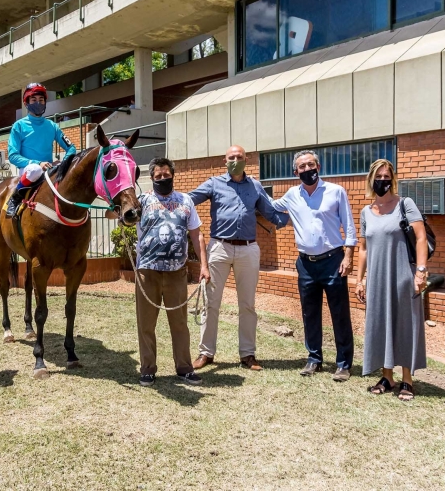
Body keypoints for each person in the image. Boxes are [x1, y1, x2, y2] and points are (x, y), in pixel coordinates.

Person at [188, 145, 288, 371]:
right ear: (225, 161)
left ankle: (247, 355)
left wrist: (297, 218)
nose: (235, 160)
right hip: (219, 248)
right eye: (231, 157)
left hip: (248, 249)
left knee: (247, 304)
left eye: (239, 157)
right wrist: (164, 201)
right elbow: (189, 199)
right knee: (211, 303)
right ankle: (206, 353)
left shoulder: (255, 186)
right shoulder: (214, 183)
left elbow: (270, 212)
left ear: (247, 159)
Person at [271, 150, 356, 382]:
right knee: (310, 314)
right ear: (295, 171)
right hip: (306, 264)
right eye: (302, 166)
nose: (307, 169)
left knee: (339, 314)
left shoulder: (336, 191)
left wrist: (348, 257)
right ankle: (314, 359)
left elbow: (349, 227)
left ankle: (343, 363)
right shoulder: (291, 194)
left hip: (333, 261)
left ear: (318, 166)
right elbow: (270, 206)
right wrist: (251, 190)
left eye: (311, 165)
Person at [356, 159, 428, 401]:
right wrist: (360, 280)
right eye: (379, 177)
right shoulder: (366, 211)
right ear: (371, 180)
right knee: (380, 324)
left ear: (393, 179)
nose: (383, 181)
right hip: (376, 278)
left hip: (403, 275)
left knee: (406, 325)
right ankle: (387, 376)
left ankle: (407, 380)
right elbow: (363, 248)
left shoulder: (404, 204)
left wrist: (420, 271)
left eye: (387, 177)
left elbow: (420, 238)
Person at [135, 157, 210, 386]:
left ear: (173, 175)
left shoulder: (185, 200)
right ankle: (148, 368)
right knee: (146, 323)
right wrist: (115, 205)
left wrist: (204, 266)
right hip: (147, 272)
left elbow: (197, 234)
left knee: (179, 323)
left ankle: (184, 368)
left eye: (166, 175)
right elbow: (118, 215)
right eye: (158, 176)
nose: (162, 179)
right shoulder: (143, 200)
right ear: (152, 178)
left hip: (177, 272)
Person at [6, 82, 76, 218]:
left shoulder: (52, 126)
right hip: (28, 170)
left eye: (41, 100)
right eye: (34, 100)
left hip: (49, 169)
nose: (38, 103)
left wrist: (64, 163)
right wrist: (37, 163)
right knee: (35, 170)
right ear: (26, 103)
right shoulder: (18, 126)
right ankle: (15, 198)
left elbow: (71, 148)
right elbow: (13, 156)